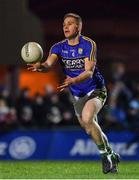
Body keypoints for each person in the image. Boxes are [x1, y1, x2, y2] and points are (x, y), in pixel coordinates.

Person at [28, 13, 120, 174]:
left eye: (70, 23)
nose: (66, 26)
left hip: (95, 89)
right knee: (88, 127)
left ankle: (105, 156)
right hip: (77, 93)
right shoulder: (58, 47)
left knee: (87, 117)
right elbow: (48, 64)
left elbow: (89, 72)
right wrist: (40, 66)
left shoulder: (88, 44)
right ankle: (111, 154)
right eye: (64, 24)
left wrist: (73, 80)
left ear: (78, 27)